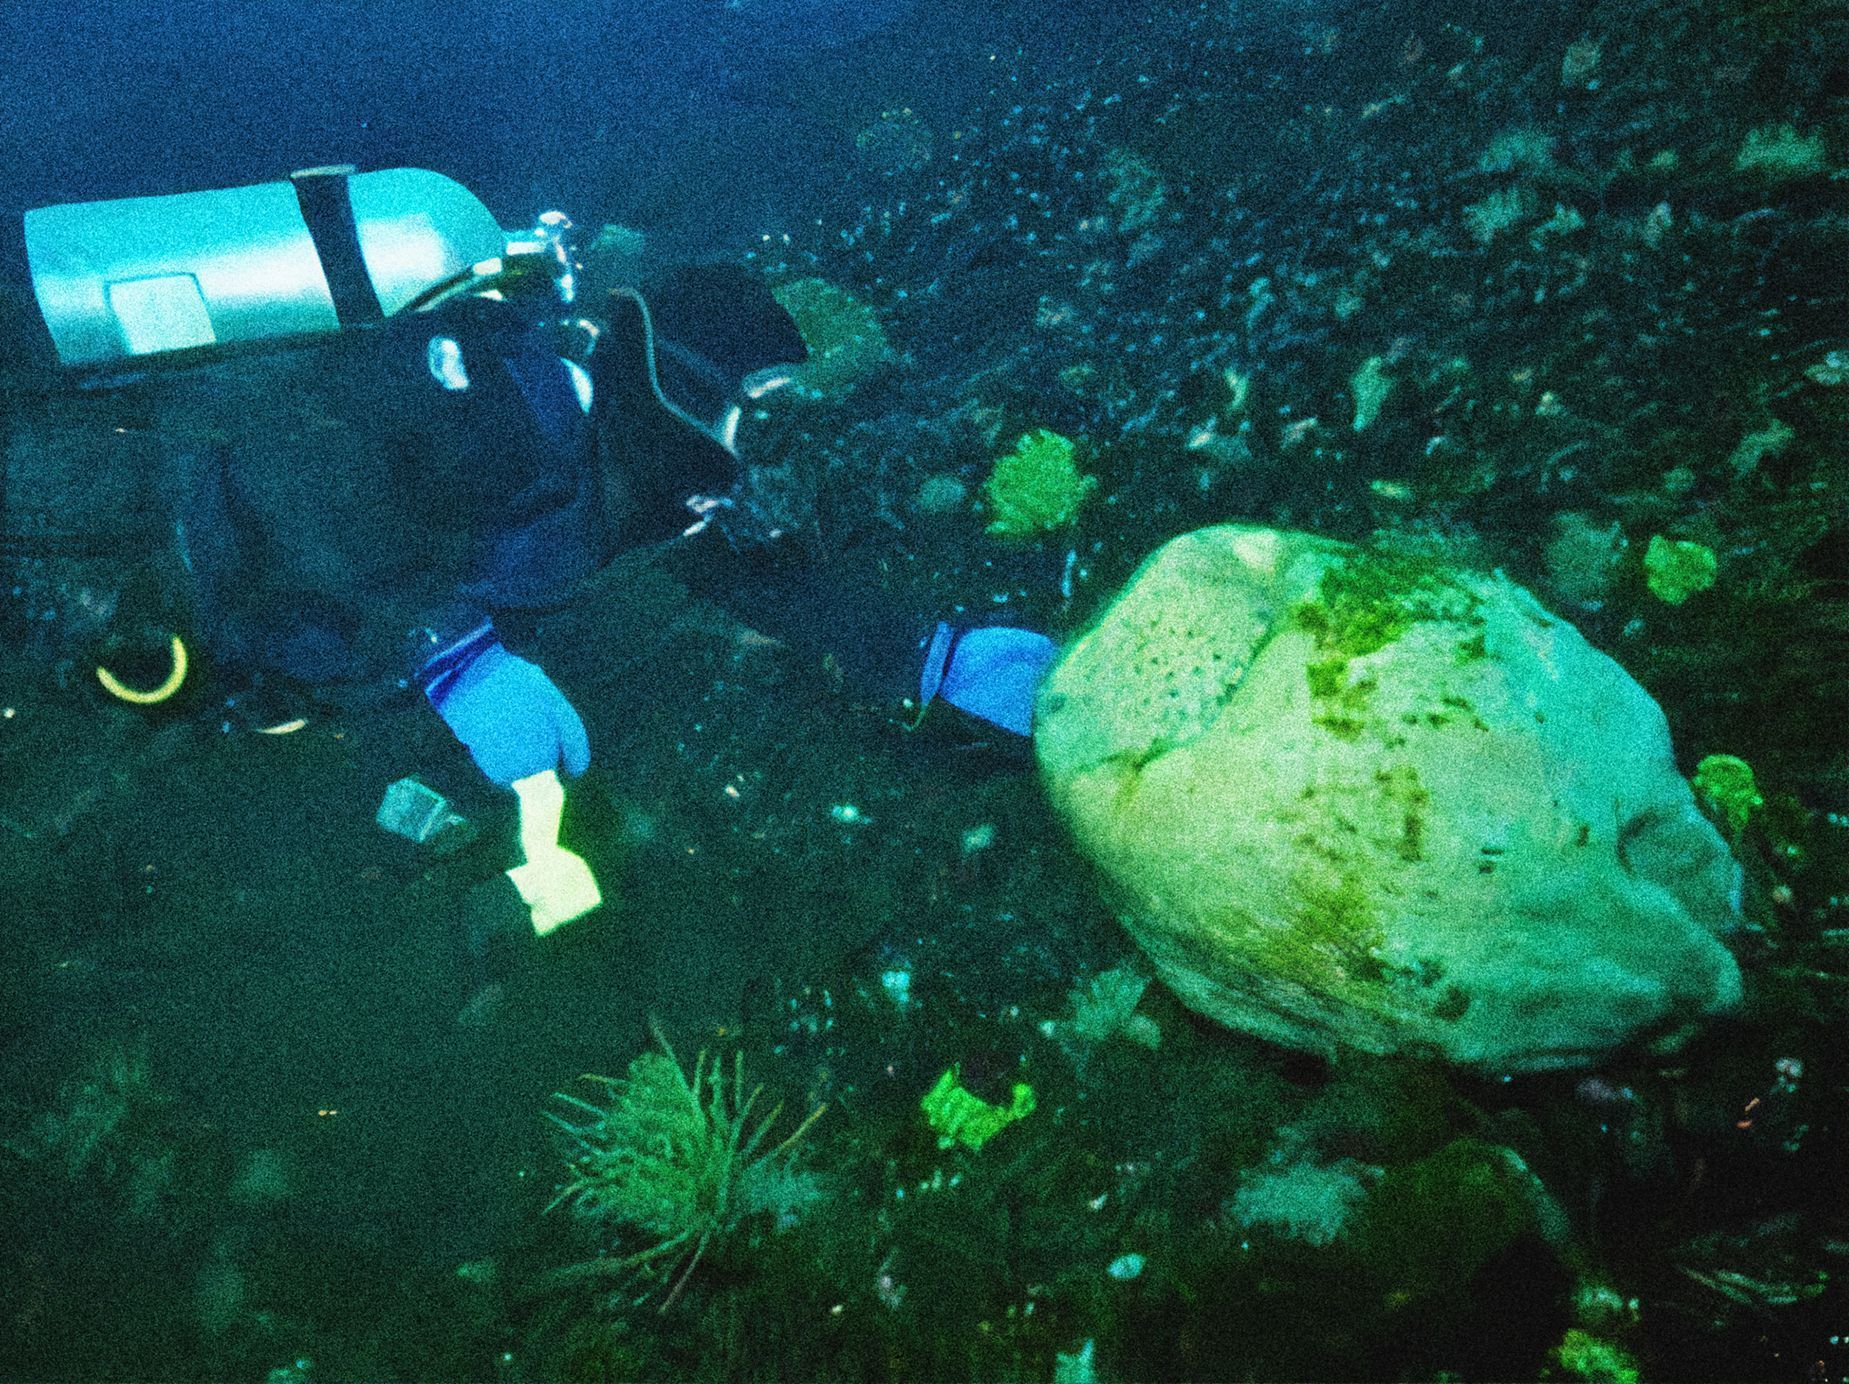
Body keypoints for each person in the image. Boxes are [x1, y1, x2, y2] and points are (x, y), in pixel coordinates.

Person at [2, 165, 1056, 950]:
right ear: (681, 388)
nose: (757, 453)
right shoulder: (507, 401)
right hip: (103, 539)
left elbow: (736, 570)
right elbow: (299, 476)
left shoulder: (629, 475)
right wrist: (454, 656)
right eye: (756, 417)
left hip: (200, 635)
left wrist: (928, 654)